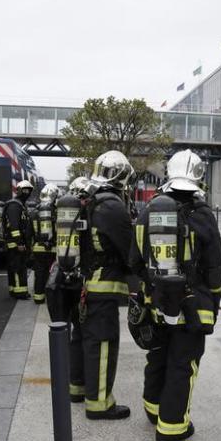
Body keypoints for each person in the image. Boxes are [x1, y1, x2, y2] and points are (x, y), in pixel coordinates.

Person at [130, 149, 221, 441]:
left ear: (169, 174)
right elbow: (215, 270)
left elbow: (134, 261)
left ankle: (153, 409)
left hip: (156, 304)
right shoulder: (203, 216)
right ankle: (172, 427)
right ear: (198, 178)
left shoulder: (148, 212)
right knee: (183, 364)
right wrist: (214, 305)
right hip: (191, 306)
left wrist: (152, 290)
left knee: (158, 356)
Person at [78, 151, 135, 420]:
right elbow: (130, 251)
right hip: (105, 286)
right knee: (102, 345)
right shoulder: (112, 206)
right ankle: (99, 404)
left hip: (90, 281)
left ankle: (80, 390)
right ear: (121, 176)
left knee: (88, 341)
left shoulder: (90, 200)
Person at [46, 176, 89, 402]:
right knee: (80, 333)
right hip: (79, 280)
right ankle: (78, 383)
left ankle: (70, 383)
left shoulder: (61, 213)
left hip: (61, 278)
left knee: (67, 333)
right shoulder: (85, 214)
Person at [2, 180, 34, 299]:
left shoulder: (20, 204)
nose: (27, 193)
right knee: (17, 268)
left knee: (17, 267)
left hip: (16, 242)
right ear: (19, 190)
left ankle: (14, 290)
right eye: (24, 190)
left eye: (28, 191)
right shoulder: (14, 205)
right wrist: (19, 242)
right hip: (14, 244)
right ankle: (19, 292)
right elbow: (14, 226)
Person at [32, 183, 60, 305]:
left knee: (39, 274)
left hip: (38, 248)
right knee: (52, 274)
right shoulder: (56, 212)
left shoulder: (33, 212)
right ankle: (52, 298)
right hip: (52, 249)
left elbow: (29, 233)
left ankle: (39, 298)